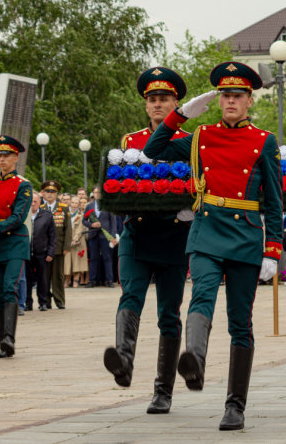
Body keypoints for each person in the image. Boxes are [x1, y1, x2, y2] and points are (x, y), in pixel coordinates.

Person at [144, 61, 283, 431]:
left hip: (245, 234)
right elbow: (152, 150)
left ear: (249, 100)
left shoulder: (263, 140)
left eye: (237, 95)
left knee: (241, 321)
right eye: (225, 95)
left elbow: (274, 200)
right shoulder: (201, 135)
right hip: (206, 231)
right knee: (200, 295)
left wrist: (273, 249)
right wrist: (181, 115)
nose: (231, 101)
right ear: (218, 99)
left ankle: (235, 405)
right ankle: (195, 361)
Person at [101, 66, 192, 415]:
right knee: (131, 295)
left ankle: (163, 390)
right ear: (145, 105)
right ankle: (123, 360)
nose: (157, 104)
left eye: (164, 99)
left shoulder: (191, 140)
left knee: (169, 313)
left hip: (174, 234)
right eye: (152, 99)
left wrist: (190, 209)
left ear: (176, 103)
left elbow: (200, 183)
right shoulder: (130, 141)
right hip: (137, 232)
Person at [0, 135, 32, 358]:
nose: (2, 160)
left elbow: (19, 217)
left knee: (9, 287)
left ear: (16, 158)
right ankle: (3, 341)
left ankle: (9, 338)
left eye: (6, 156)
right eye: (0, 156)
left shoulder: (23, 185)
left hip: (14, 242)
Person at [40, 181, 71, 309]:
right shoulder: (41, 208)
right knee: (45, 275)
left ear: (56, 194)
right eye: (47, 192)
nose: (49, 194)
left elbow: (68, 228)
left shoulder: (63, 207)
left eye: (52, 192)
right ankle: (45, 301)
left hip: (58, 247)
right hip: (44, 247)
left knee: (58, 275)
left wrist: (66, 246)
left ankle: (60, 301)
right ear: (43, 193)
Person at [82, 186, 120, 288]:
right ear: (93, 194)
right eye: (95, 192)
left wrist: (112, 236)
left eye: (99, 192)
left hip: (105, 235)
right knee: (93, 258)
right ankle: (92, 280)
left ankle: (109, 280)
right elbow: (84, 220)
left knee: (107, 257)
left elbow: (113, 221)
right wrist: (91, 225)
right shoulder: (89, 206)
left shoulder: (108, 205)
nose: (97, 194)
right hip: (93, 235)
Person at [26, 192, 56, 311]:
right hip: (26, 253)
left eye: (35, 201)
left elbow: (52, 235)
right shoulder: (24, 215)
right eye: (31, 201)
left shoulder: (47, 215)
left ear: (40, 202)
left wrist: (50, 252)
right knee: (27, 279)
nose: (33, 204)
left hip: (42, 252)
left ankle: (43, 302)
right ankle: (28, 303)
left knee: (42, 279)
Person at [64, 197, 88, 287]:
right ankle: (67, 280)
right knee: (67, 261)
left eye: (76, 203)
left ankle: (75, 280)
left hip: (78, 241)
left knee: (77, 261)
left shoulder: (81, 215)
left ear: (78, 205)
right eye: (73, 202)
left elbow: (81, 228)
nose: (74, 204)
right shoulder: (66, 214)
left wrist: (74, 239)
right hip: (67, 240)